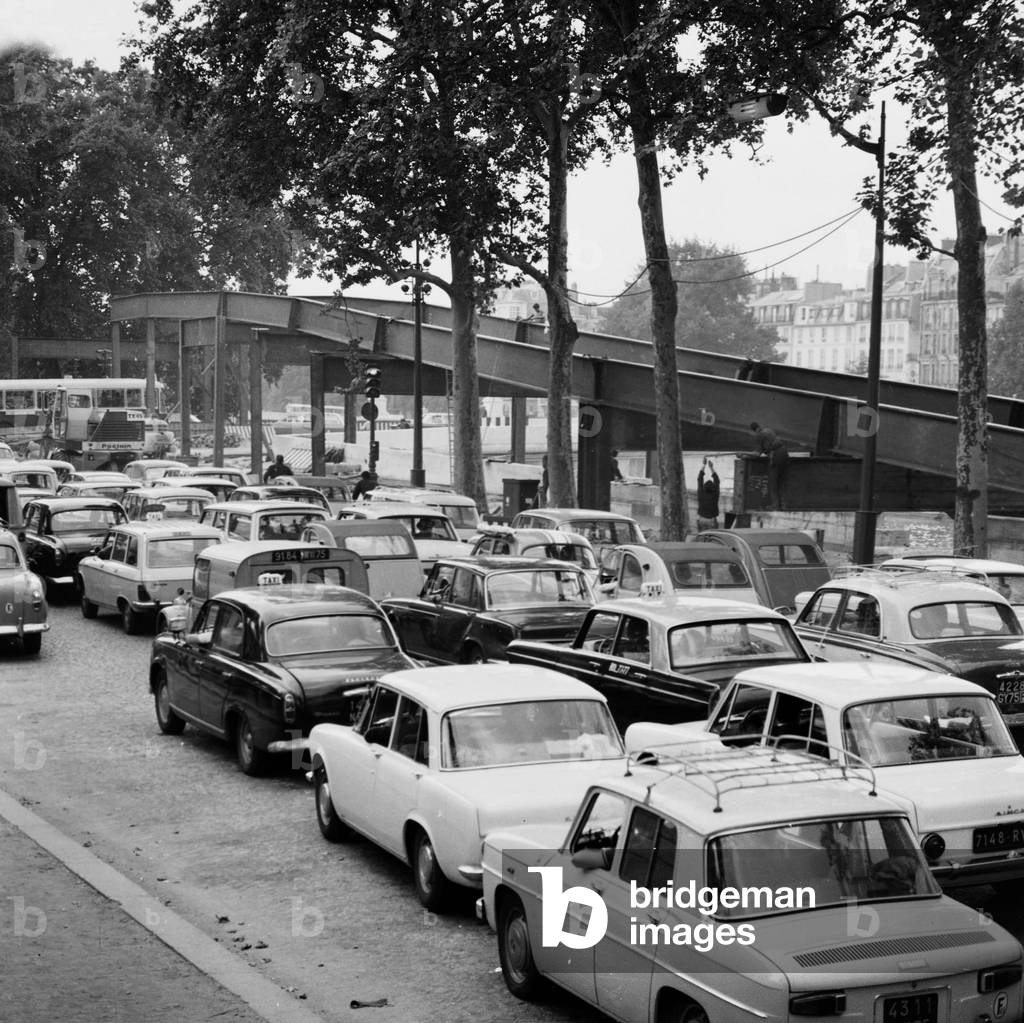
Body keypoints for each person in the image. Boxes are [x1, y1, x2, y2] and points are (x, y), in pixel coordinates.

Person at [750, 422, 789, 511]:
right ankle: (784, 505)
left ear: (753, 430)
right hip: (784, 453)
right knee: (782, 481)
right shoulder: (768, 430)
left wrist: (743, 454)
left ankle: (775, 506)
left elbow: (757, 454)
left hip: (776, 456)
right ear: (759, 426)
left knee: (773, 482)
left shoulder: (759, 436)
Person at [696, 457, 720, 531]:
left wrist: (704, 465)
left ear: (704, 487)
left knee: (701, 538)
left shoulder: (701, 492)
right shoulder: (715, 494)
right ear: (713, 488)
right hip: (712, 519)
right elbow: (717, 480)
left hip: (701, 519)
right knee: (712, 539)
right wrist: (711, 467)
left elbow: (700, 478)